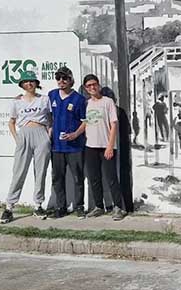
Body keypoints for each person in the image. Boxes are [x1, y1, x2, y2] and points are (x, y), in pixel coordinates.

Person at [0, 70, 52, 224]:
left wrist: (48, 136)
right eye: (26, 81)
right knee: (19, 171)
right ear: (22, 84)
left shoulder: (44, 99)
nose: (29, 84)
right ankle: (9, 207)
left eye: (32, 81)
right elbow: (11, 122)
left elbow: (50, 119)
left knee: (40, 171)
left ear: (36, 83)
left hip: (41, 133)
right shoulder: (16, 101)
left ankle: (38, 205)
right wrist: (17, 138)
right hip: (24, 134)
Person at [82, 74, 126, 221]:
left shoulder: (108, 102)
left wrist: (110, 146)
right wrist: (75, 134)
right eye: (89, 86)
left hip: (106, 146)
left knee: (111, 177)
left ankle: (118, 207)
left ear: (98, 85)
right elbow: (86, 123)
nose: (92, 87)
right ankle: (99, 207)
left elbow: (114, 124)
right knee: (94, 178)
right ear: (85, 89)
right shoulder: (87, 104)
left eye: (94, 84)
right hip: (90, 147)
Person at [48, 66, 87, 219]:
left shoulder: (79, 99)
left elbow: (85, 122)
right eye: (58, 78)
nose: (61, 81)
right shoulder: (51, 95)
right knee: (57, 177)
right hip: (56, 147)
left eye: (65, 78)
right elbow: (46, 114)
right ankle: (61, 206)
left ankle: (79, 206)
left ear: (71, 80)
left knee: (78, 177)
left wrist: (75, 134)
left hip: (74, 147)